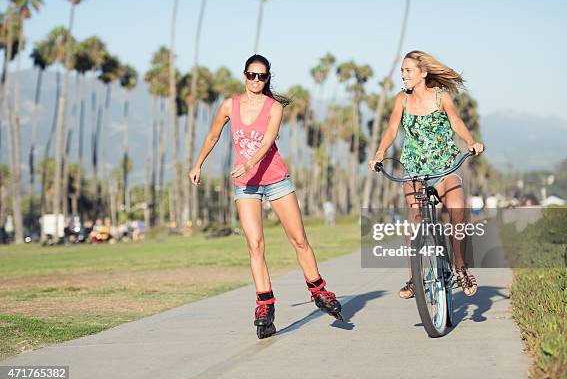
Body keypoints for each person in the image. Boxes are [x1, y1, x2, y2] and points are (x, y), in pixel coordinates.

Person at [189, 54, 343, 339]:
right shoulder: (229, 106)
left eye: (261, 76)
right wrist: (198, 164)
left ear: (268, 77)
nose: (256, 80)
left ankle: (319, 291)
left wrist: (249, 162)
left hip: (275, 180)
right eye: (251, 75)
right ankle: (265, 305)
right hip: (246, 184)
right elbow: (212, 136)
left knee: (298, 239)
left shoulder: (273, 107)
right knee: (255, 244)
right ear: (244, 75)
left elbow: (268, 140)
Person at [368, 50, 484, 298]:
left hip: (445, 167)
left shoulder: (442, 97)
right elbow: (391, 129)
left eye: (408, 71)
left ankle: (461, 268)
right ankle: (415, 278)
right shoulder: (401, 99)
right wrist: (380, 152)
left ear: (423, 73)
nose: (403, 75)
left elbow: (455, 121)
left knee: (457, 211)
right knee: (415, 222)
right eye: (402, 71)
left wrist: (471, 141)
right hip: (415, 171)